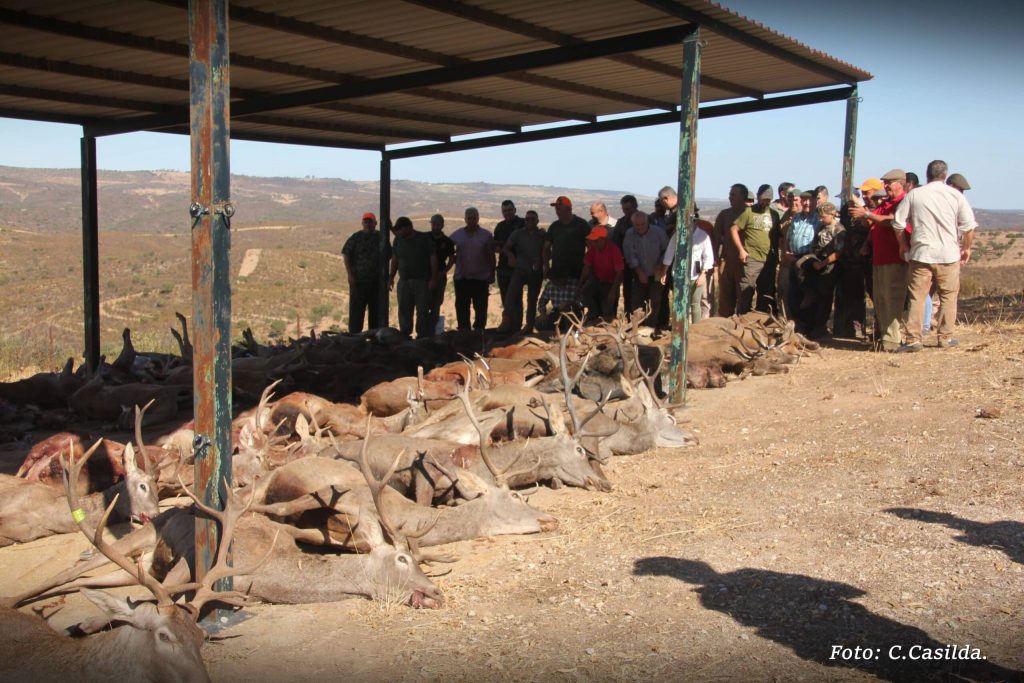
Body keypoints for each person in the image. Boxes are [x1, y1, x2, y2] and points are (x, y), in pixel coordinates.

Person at [892, 160, 977, 351]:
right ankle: (945, 337)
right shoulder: (955, 195)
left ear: (927, 174)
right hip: (948, 253)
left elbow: (898, 223)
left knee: (917, 296)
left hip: (922, 253)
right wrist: (966, 248)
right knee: (948, 296)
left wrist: (903, 245)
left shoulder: (915, 194)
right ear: (945, 175)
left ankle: (913, 338)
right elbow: (969, 226)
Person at [852, 172, 907, 351]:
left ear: (900, 183)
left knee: (893, 299)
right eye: (885, 183)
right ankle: (885, 338)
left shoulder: (903, 201)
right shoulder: (886, 203)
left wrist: (867, 213)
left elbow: (891, 222)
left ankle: (893, 340)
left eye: (889, 183)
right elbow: (874, 224)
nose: (886, 186)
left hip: (894, 257)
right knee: (881, 299)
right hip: (879, 258)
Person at [797, 202, 845, 338]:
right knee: (800, 265)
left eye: (823, 217)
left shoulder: (839, 230)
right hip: (817, 261)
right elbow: (815, 245)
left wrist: (823, 264)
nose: (820, 219)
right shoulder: (820, 228)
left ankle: (820, 326)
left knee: (825, 296)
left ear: (832, 214)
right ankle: (808, 294)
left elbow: (838, 252)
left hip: (830, 266)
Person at [729, 185, 779, 315]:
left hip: (768, 259)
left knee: (765, 291)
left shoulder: (774, 215)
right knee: (747, 289)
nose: (765, 202)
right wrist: (741, 249)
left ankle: (759, 317)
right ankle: (742, 317)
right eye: (762, 199)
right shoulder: (749, 212)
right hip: (752, 258)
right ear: (757, 197)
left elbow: (778, 237)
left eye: (768, 200)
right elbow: (733, 229)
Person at [659, 213, 715, 324]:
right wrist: (664, 271)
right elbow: (669, 253)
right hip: (679, 274)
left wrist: (703, 274)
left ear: (695, 221)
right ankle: (679, 327)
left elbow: (708, 256)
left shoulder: (703, 236)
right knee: (680, 302)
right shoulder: (677, 234)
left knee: (695, 303)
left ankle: (696, 328)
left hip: (696, 274)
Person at [388, 216, 438, 339]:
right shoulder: (398, 239)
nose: (399, 233)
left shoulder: (423, 238)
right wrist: (391, 277)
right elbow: (395, 260)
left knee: (422, 311)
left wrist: (433, 278)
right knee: (404, 310)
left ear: (409, 227)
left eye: (401, 230)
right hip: (404, 281)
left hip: (421, 282)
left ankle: (422, 337)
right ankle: (405, 335)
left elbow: (433, 259)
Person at [542, 195, 591, 316]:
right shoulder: (554, 226)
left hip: (576, 273)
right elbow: (546, 247)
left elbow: (591, 248)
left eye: (559, 208)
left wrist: (588, 268)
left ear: (568, 209)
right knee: (558, 305)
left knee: (576, 305)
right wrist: (546, 266)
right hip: (558, 273)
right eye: (556, 208)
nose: (557, 211)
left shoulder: (581, 224)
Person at [450, 207, 495, 332]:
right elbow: (445, 249)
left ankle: (479, 332)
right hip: (462, 278)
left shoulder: (486, 235)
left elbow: (491, 256)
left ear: (478, 219)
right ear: (465, 219)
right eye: (469, 218)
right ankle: (464, 332)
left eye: (474, 218)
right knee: (461, 307)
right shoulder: (456, 235)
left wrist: (492, 274)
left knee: (481, 308)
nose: (471, 221)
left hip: (480, 279)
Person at [500, 210, 546, 333]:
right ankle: (506, 320)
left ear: (537, 221)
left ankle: (529, 325)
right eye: (527, 219)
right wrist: (510, 256)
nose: (529, 221)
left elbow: (547, 251)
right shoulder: (518, 233)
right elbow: (506, 248)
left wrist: (544, 264)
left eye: (532, 219)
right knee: (511, 296)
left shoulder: (542, 235)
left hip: (536, 273)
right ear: (524, 220)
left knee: (532, 300)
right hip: (520, 270)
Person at [780, 191, 818, 333]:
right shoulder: (796, 218)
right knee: (793, 295)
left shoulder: (819, 218)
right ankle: (798, 327)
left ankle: (810, 328)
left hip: (809, 260)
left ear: (815, 200)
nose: (806, 203)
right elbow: (787, 238)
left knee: (808, 295)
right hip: (793, 259)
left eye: (810, 200)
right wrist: (786, 253)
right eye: (804, 200)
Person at [342, 211, 386, 333]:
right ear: (362, 223)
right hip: (358, 281)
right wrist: (350, 275)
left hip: (376, 282)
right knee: (356, 311)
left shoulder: (381, 237)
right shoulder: (356, 237)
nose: (367, 224)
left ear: (375, 223)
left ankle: (374, 338)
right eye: (365, 221)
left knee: (375, 312)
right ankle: (355, 338)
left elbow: (390, 254)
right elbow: (346, 255)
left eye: (370, 221)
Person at [623, 211, 669, 327]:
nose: (640, 227)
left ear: (647, 222)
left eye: (642, 224)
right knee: (637, 303)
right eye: (637, 225)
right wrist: (639, 272)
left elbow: (667, 250)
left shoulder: (658, 232)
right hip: (639, 273)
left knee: (655, 302)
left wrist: (661, 264)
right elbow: (630, 255)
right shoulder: (630, 234)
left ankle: (652, 328)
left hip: (656, 272)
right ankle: (638, 328)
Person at [576, 226, 624, 323]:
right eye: (593, 240)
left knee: (608, 309)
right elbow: (587, 267)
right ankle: (592, 320)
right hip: (597, 280)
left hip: (610, 283)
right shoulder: (593, 249)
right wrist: (580, 284)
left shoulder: (614, 250)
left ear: (603, 239)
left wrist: (613, 291)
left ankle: (608, 326)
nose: (593, 243)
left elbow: (619, 272)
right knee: (586, 294)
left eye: (596, 240)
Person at [714, 184, 748, 317]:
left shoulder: (749, 214)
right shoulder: (724, 215)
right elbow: (716, 237)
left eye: (734, 194)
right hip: (726, 262)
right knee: (725, 299)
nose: (730, 197)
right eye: (730, 194)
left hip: (744, 262)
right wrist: (715, 257)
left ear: (743, 197)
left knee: (743, 297)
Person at [426, 213, 455, 334]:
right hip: (425, 275)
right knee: (423, 303)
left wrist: (445, 271)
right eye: (433, 223)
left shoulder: (447, 241)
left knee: (436, 303)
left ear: (442, 225)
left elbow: (452, 258)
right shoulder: (425, 237)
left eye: (438, 224)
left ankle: (432, 331)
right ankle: (423, 331)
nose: (436, 226)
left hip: (439, 275)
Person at [493, 200, 524, 308]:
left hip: (519, 268)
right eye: (504, 211)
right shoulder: (500, 226)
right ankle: (507, 322)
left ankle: (516, 324)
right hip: (503, 268)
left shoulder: (523, 224)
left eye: (509, 210)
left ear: (515, 210)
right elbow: (495, 246)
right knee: (505, 298)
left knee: (517, 299)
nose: (507, 213)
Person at [612, 194, 639, 314]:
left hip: (644, 263)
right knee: (627, 293)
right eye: (624, 209)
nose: (626, 211)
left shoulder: (645, 219)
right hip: (626, 264)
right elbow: (616, 244)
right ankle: (629, 319)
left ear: (635, 207)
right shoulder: (621, 223)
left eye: (628, 209)